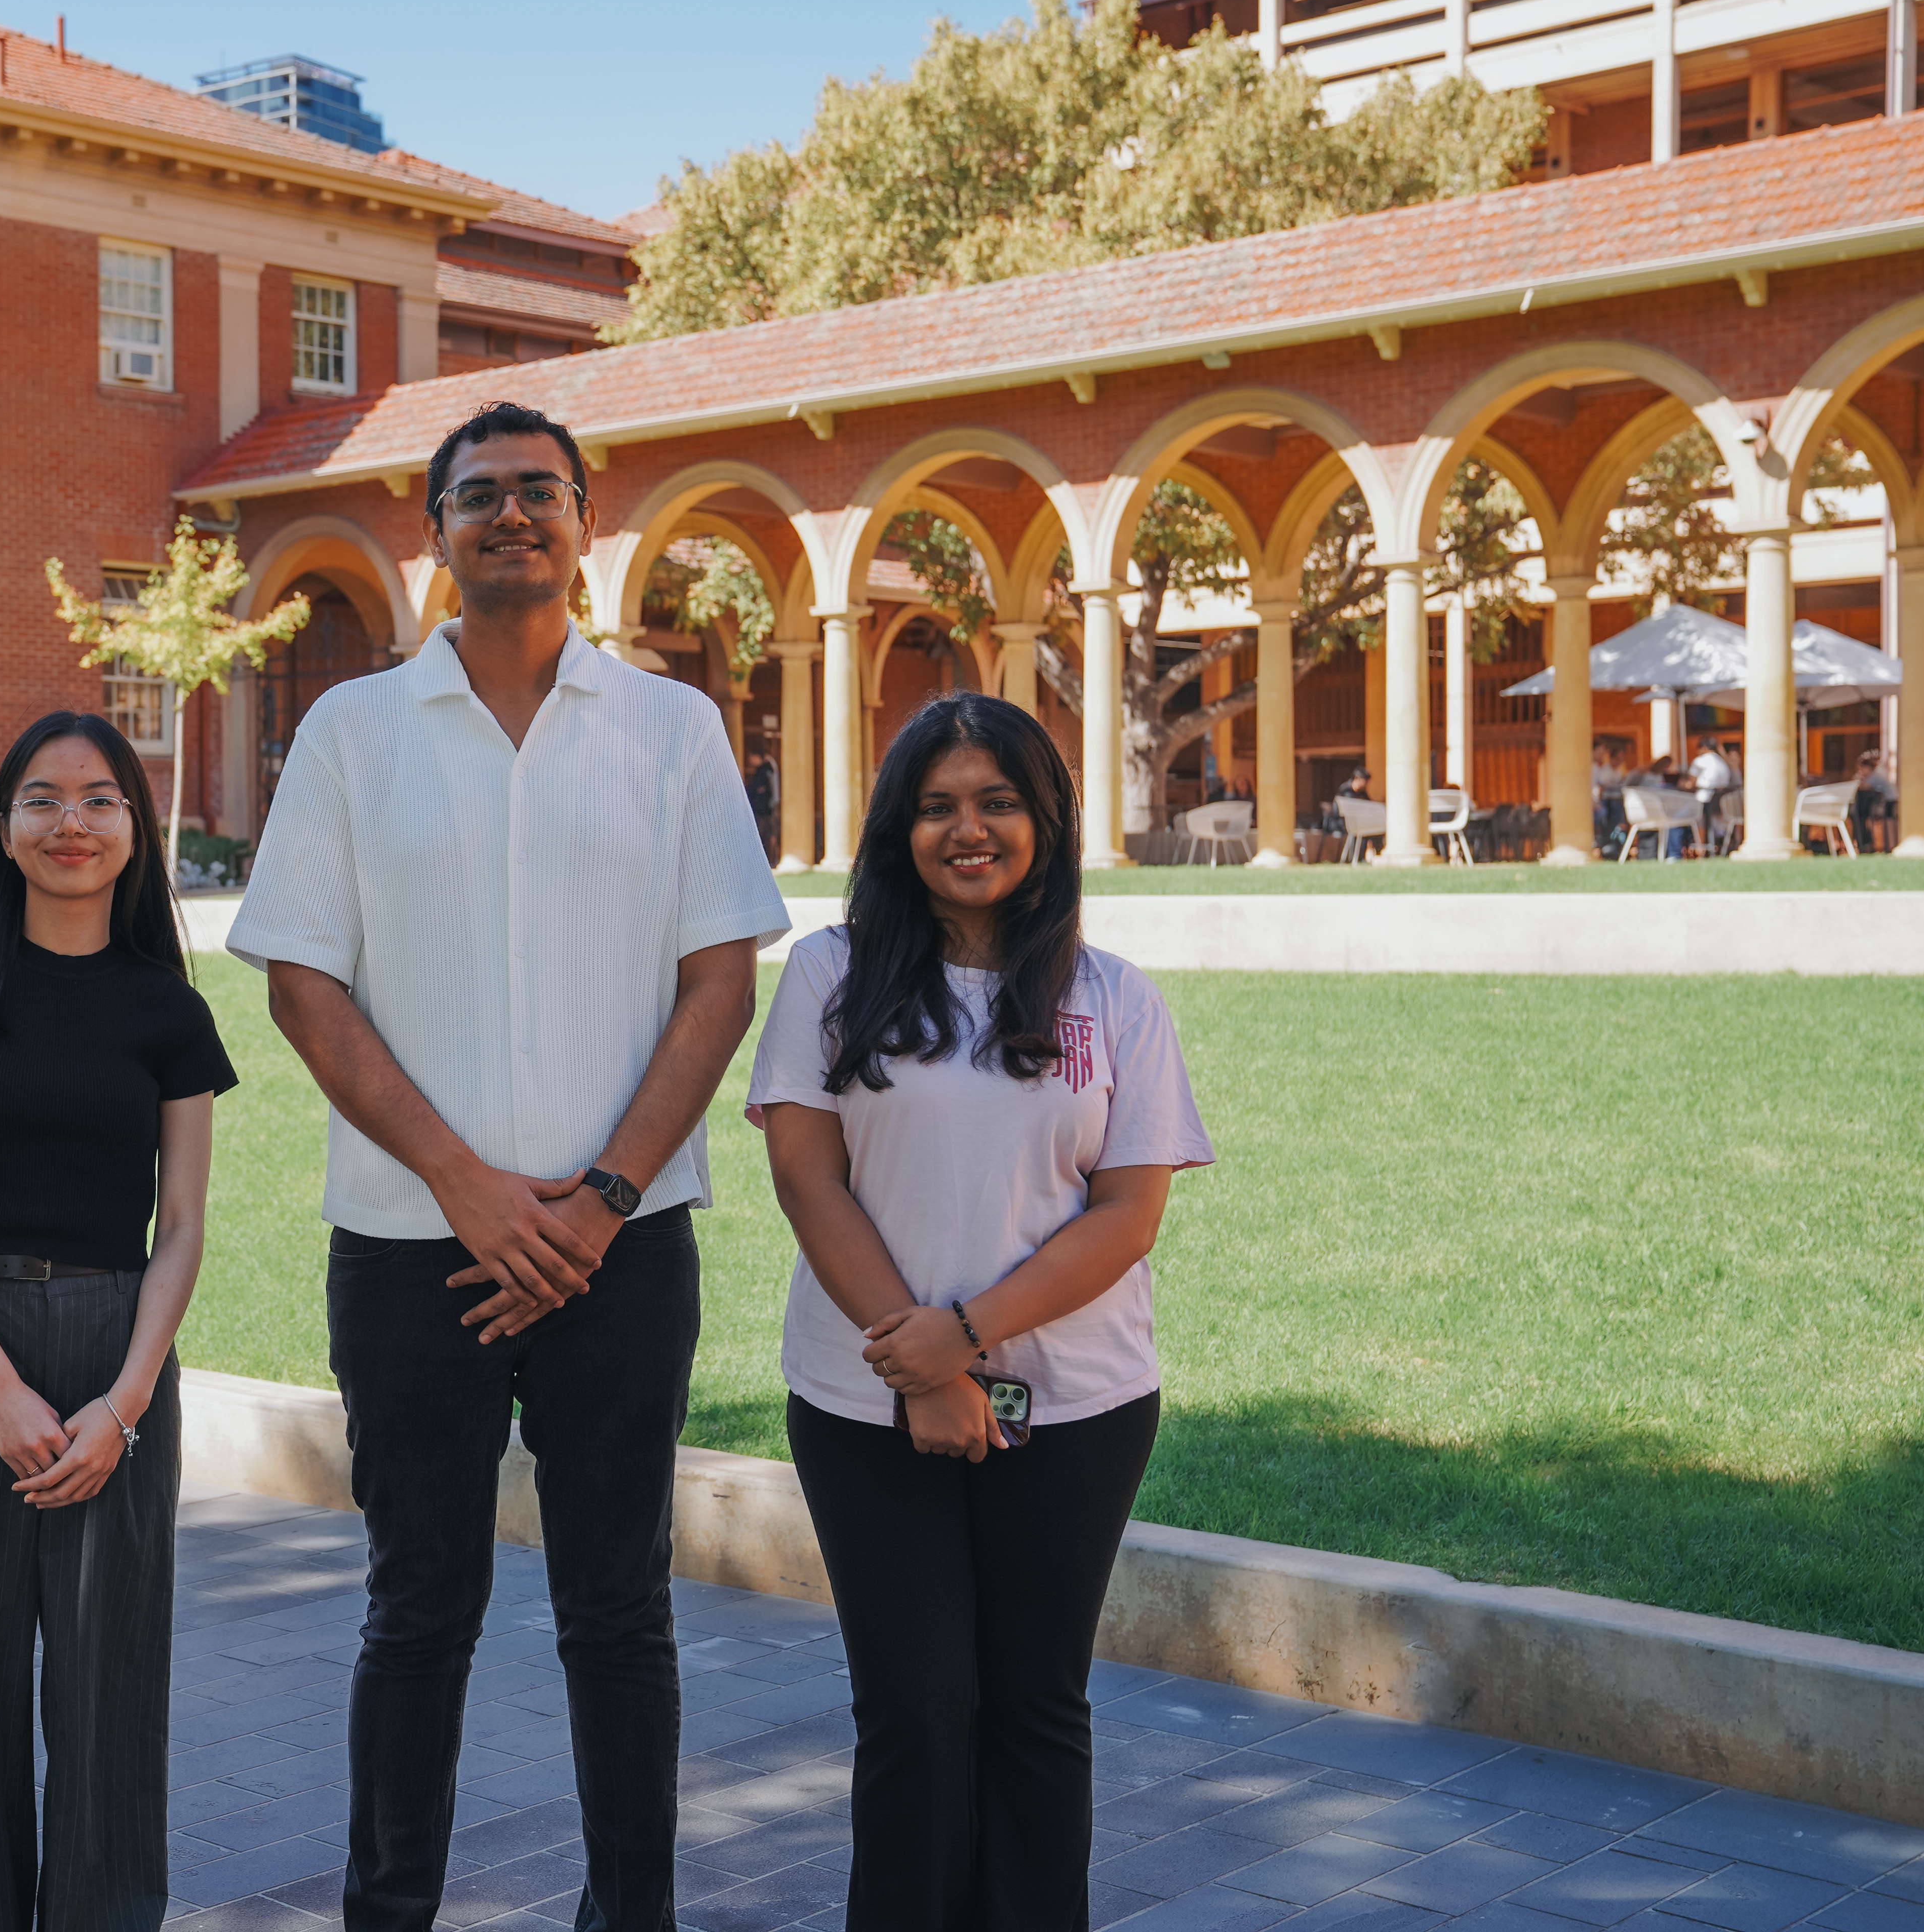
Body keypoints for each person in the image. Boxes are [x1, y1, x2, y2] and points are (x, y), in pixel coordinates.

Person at [229, 401, 790, 1932]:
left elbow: (719, 982)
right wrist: (471, 1189)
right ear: (436, 532)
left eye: (539, 491)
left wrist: (601, 1196)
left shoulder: (671, 728)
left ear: (582, 527)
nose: (510, 514)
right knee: (417, 1611)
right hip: (414, 1251)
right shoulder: (350, 731)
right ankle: (387, 1913)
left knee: (619, 1615)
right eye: (478, 495)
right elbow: (300, 984)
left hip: (625, 1250)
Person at [751, 690, 1213, 1930]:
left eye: (999, 801)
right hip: (863, 1402)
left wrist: (966, 1337)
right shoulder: (829, 974)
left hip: (1078, 1403)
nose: (970, 829)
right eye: (938, 805)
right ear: (897, 827)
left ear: (1045, 821)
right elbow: (807, 1175)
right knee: (913, 1710)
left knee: (1035, 1706)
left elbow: (1127, 1213)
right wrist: (926, 1367)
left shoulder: (1115, 996)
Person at [0, 711, 235, 1932]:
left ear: (134, 829)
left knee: (108, 1685)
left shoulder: (168, 1011)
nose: (70, 822)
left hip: (115, 1356)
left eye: (99, 799)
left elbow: (180, 1222)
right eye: (42, 798)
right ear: (5, 827)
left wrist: (124, 1402)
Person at [1690, 736, 1739, 852]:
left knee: (1686, 817)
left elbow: (1691, 783)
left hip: (1705, 801)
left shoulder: (1700, 761)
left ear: (1704, 748)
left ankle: (1700, 848)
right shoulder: (1723, 762)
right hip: (1720, 802)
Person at [1856, 748, 1899, 852]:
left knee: (1889, 822)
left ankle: (1890, 846)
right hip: (1893, 798)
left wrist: (1858, 779)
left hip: (1890, 800)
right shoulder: (1878, 774)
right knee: (1890, 822)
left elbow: (1863, 787)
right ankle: (1891, 845)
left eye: (1862, 769)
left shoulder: (1874, 776)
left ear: (1868, 768)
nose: (1861, 772)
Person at [748, 747, 782, 857]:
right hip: (766, 808)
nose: (750, 761)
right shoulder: (766, 768)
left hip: (765, 809)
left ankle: (771, 858)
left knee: (767, 834)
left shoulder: (766, 769)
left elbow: (758, 788)